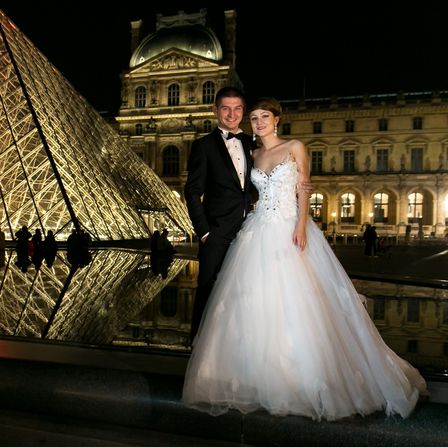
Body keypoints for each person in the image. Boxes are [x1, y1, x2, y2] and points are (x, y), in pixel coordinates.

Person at [182, 97, 426, 421]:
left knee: (297, 301)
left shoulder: (295, 146)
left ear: (277, 119)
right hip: (256, 230)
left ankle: (297, 376)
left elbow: (304, 188)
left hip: (287, 228)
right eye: (253, 118)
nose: (257, 122)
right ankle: (257, 375)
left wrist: (300, 226)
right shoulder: (252, 153)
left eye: (263, 116)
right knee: (252, 303)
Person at [184, 87, 257, 341]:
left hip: (250, 231)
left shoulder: (252, 142)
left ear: (243, 111)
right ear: (215, 110)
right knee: (206, 290)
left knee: (243, 292)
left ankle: (233, 345)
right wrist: (204, 232)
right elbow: (192, 192)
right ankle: (197, 347)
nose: (231, 114)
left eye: (237, 109)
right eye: (225, 108)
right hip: (216, 232)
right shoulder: (203, 146)